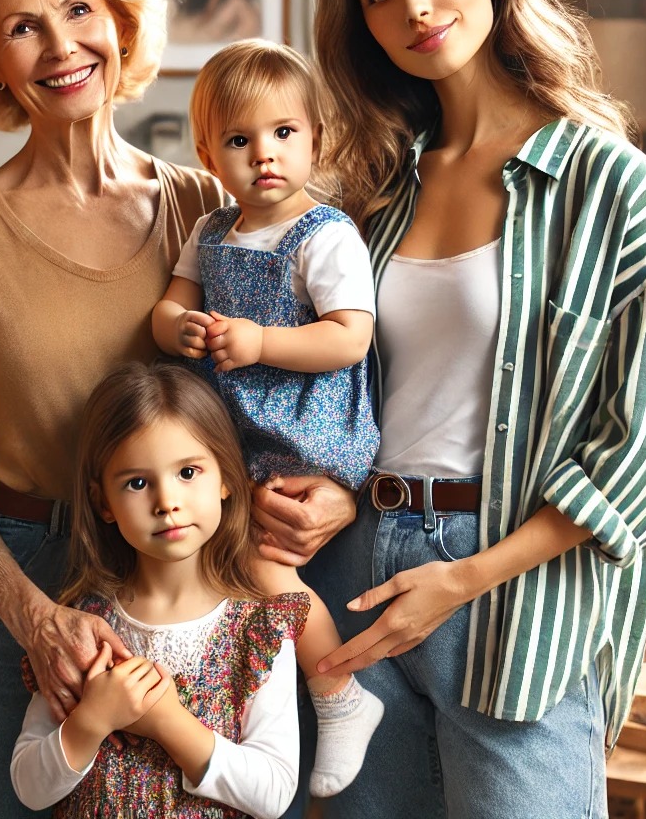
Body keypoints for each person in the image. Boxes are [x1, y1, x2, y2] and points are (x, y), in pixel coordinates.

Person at [293, 0, 646, 817]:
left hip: (513, 584)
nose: (415, 5)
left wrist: (466, 576)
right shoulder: (374, 193)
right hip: (358, 566)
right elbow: (361, 394)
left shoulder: (604, 180)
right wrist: (327, 489)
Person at [0, 0, 226, 817]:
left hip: (181, 571)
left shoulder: (205, 203)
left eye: (79, 9)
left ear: (120, 24)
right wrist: (34, 618)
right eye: (22, 28)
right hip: (27, 571)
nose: (60, 46)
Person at [150, 39, 383, 796]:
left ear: (316, 137)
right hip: (232, 435)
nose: (265, 156)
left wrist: (260, 341)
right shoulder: (212, 230)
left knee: (258, 565)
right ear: (208, 152)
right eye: (240, 141)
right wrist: (175, 329)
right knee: (222, 569)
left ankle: (339, 693)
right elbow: (171, 303)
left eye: (284, 134)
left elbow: (350, 335)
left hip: (300, 431)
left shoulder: (325, 234)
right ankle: (260, 712)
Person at [9, 362, 303, 818]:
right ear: (104, 502)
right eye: (138, 483)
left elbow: (274, 791)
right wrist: (92, 720)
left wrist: (168, 722)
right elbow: (29, 785)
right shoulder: (82, 627)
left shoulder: (257, 630)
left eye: (188, 472)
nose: (166, 502)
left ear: (225, 478)